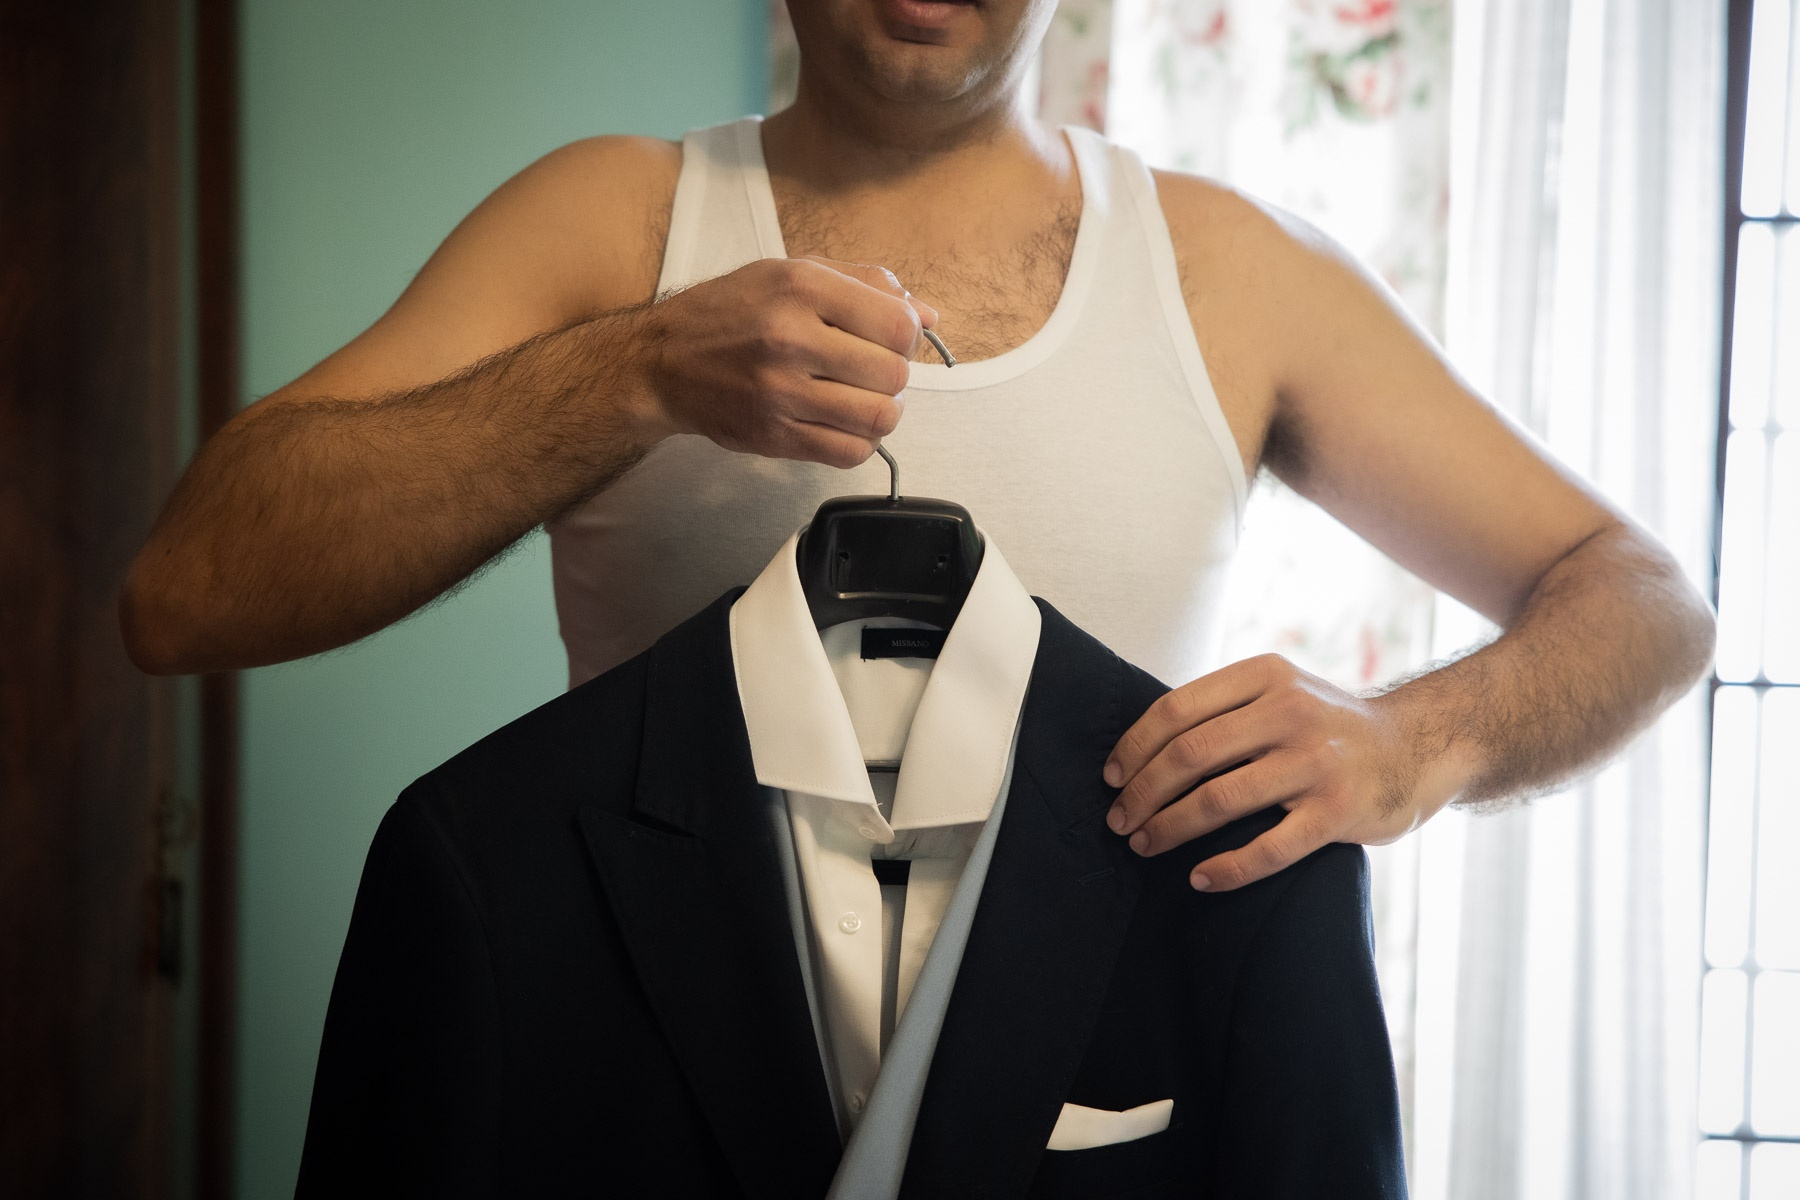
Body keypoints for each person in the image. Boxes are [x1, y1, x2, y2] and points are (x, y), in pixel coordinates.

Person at [119, 0, 1715, 895]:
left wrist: (1405, 745)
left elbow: (1642, 598)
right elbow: (191, 588)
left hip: (1082, 1098)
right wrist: (632, 370)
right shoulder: (614, 223)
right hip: (656, 1088)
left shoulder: (1236, 274)